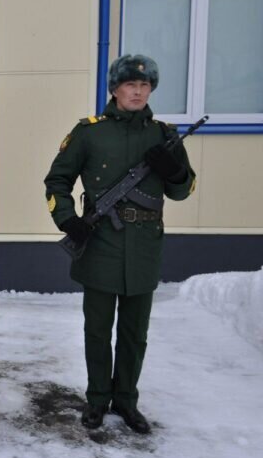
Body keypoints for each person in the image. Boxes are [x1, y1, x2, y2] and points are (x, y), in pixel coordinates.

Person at [44, 54, 196, 434]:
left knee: (134, 333)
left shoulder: (164, 135)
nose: (139, 91)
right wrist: (67, 220)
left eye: (145, 86)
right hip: (100, 244)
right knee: (97, 330)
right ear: (115, 89)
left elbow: (184, 189)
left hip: (144, 247)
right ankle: (97, 400)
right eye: (131, 84)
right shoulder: (90, 132)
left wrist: (174, 170)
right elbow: (57, 181)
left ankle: (126, 401)